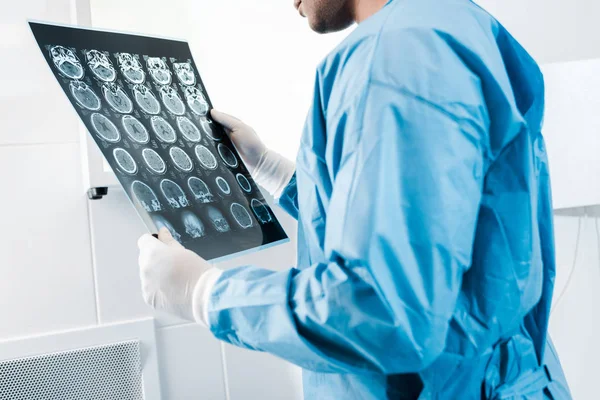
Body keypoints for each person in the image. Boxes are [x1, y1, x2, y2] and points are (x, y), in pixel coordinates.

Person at [137, 0, 573, 398]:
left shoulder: (395, 53)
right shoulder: (452, 23)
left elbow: (384, 309)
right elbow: (440, 215)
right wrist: (274, 170)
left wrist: (205, 293)